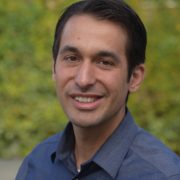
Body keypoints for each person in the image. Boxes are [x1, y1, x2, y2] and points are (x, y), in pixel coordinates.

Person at [16, 0, 180, 179]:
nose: (84, 79)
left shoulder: (164, 175)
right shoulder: (37, 164)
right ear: (54, 67)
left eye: (104, 62)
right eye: (72, 58)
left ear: (134, 77)